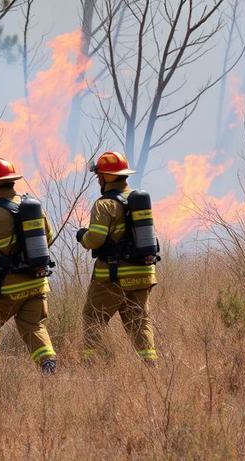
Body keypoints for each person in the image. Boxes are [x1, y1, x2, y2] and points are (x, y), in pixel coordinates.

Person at [0, 157, 57, 374]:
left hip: (7, 287)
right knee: (33, 325)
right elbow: (49, 238)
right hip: (37, 282)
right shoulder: (32, 206)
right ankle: (48, 364)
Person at [76, 151, 159, 365]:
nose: (98, 180)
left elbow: (95, 238)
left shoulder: (104, 205)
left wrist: (82, 237)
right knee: (139, 321)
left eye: (99, 176)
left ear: (106, 177)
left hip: (112, 277)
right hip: (143, 273)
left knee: (93, 317)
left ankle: (92, 365)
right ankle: (150, 364)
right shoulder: (137, 201)